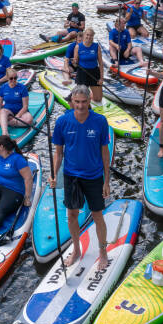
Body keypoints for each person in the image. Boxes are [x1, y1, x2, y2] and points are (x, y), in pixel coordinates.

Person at [49, 85, 111, 269]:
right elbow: (58, 153)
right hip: (71, 176)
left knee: (98, 216)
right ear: (72, 101)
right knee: (72, 215)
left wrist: (106, 181)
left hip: (93, 177)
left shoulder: (100, 121)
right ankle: (76, 249)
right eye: (77, 102)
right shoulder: (62, 121)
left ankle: (103, 251)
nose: (81, 106)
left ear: (90, 100)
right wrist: (53, 174)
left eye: (84, 102)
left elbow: (105, 152)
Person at [0, 68, 32, 136]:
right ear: (7, 78)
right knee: (3, 111)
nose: (13, 80)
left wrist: (17, 116)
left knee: (29, 121)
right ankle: (5, 132)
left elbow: (25, 106)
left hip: (21, 111)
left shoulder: (22, 88)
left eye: (15, 78)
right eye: (11, 78)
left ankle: (4, 121)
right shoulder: (3, 87)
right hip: (8, 111)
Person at [73, 27, 104, 106]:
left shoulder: (96, 46)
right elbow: (75, 64)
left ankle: (89, 95)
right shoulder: (78, 47)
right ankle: (84, 95)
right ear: (84, 35)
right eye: (87, 35)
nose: (89, 37)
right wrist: (74, 62)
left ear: (93, 37)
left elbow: (100, 63)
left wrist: (101, 78)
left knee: (98, 99)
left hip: (94, 72)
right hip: (82, 73)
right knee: (82, 98)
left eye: (91, 35)